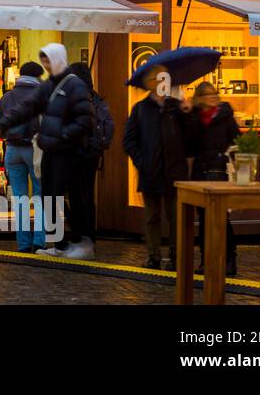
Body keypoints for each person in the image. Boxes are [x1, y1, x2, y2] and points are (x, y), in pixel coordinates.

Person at [0, 43, 94, 259]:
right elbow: (27, 106)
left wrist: (64, 136)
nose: (46, 65)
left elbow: (85, 119)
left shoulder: (74, 85)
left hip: (67, 151)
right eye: (44, 60)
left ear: (58, 59)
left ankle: (76, 242)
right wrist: (3, 125)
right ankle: (58, 243)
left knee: (61, 196)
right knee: (48, 197)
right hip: (49, 150)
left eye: (48, 60)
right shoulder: (49, 86)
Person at [122, 68, 192, 270]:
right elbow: (129, 140)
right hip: (150, 171)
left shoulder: (176, 107)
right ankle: (153, 256)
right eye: (155, 79)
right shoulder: (141, 109)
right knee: (152, 217)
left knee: (175, 217)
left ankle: (176, 255)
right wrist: (141, 161)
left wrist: (188, 114)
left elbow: (191, 137)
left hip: (174, 172)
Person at [186, 82, 239, 276]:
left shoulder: (225, 117)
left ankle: (230, 259)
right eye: (207, 95)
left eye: (214, 94)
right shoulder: (194, 117)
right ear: (199, 98)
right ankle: (206, 260)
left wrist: (233, 165)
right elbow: (189, 145)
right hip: (200, 172)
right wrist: (190, 115)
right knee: (204, 219)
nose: (212, 97)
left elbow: (237, 143)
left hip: (219, 171)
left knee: (221, 218)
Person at [0, 61, 45, 253]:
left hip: (12, 150)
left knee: (20, 197)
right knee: (39, 195)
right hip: (35, 149)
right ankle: (39, 241)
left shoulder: (7, 97)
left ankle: (23, 243)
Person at [68, 61, 105, 256]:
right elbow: (109, 126)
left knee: (75, 194)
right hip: (93, 154)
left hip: (77, 153)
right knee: (88, 195)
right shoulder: (97, 99)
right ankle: (89, 235)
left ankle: (80, 234)